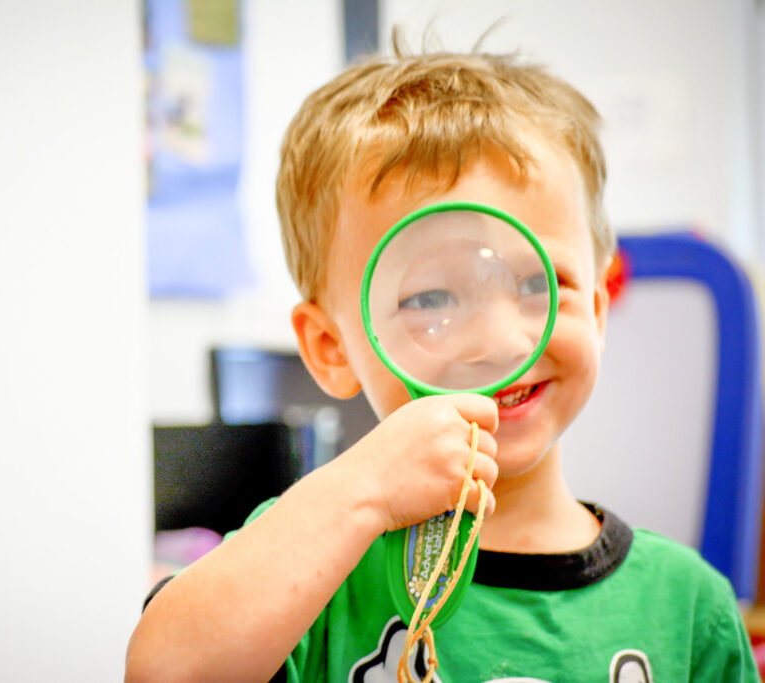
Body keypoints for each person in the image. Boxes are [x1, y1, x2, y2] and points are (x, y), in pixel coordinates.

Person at [125, 43, 759, 682]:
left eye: (540, 284)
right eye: (429, 297)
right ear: (330, 347)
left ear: (596, 310)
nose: (500, 340)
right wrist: (362, 492)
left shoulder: (689, 611)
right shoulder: (308, 564)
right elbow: (163, 672)